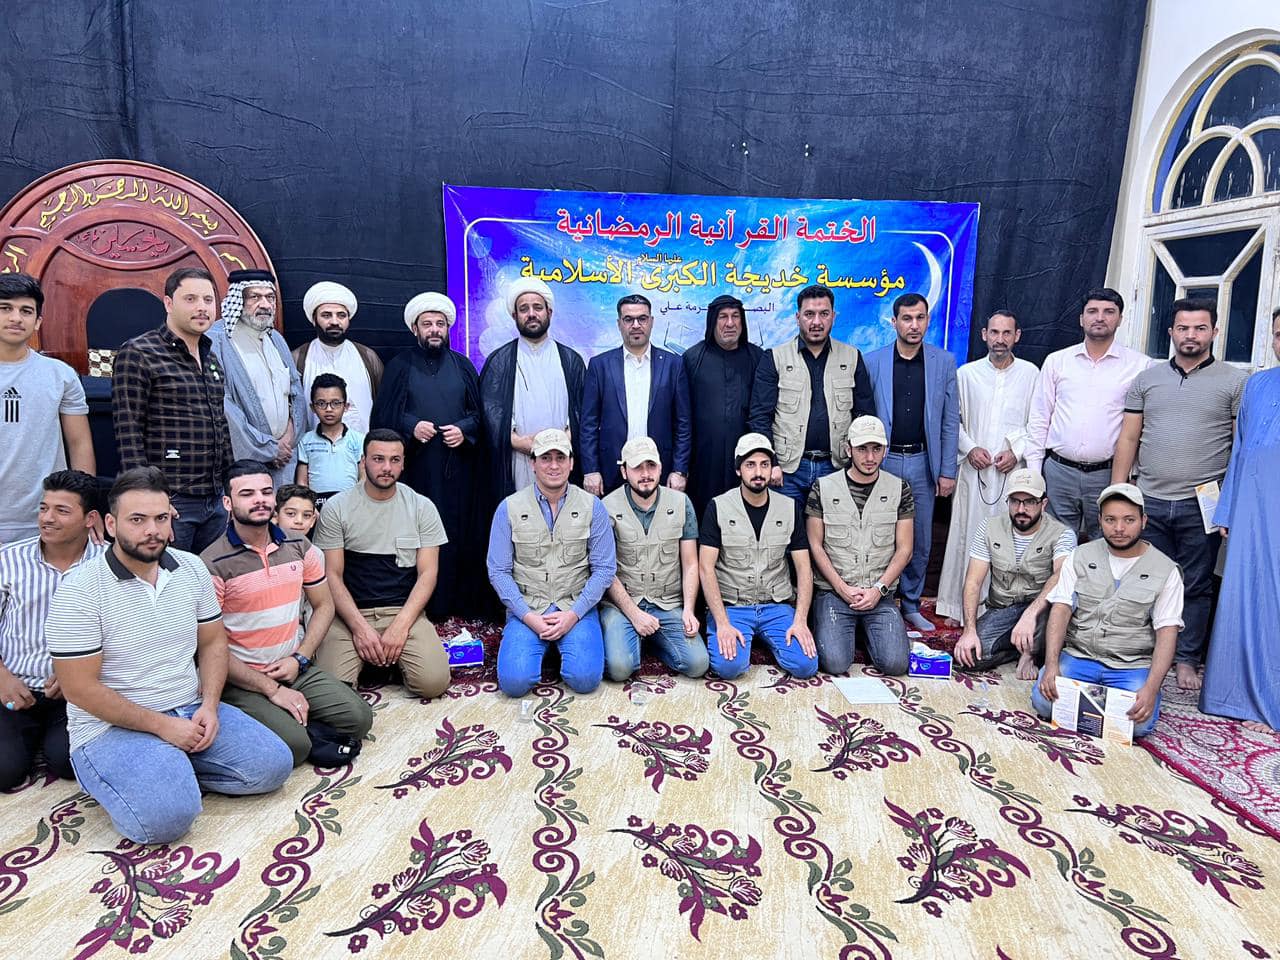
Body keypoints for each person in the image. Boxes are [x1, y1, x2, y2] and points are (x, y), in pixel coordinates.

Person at [46, 467, 292, 843]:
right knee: (166, 822)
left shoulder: (190, 568)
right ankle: (146, 774)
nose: (153, 530)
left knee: (274, 766)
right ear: (110, 524)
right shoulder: (79, 590)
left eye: (161, 518)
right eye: (137, 520)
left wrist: (209, 705)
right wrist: (162, 727)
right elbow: (79, 689)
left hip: (188, 706)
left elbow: (213, 643)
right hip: (110, 728)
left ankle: (171, 769)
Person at [1111, 298, 1248, 691]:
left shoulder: (1234, 382)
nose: (1191, 335)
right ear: (1171, 332)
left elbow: (1239, 447)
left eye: (1200, 328)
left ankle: (1186, 658)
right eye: (1183, 328)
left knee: (1196, 584)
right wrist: (1119, 492)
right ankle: (1145, 649)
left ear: (1214, 332)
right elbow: (1129, 438)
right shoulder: (1147, 379)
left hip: (1202, 503)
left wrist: (1230, 504)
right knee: (1145, 579)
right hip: (1149, 499)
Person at [201, 460, 372, 767]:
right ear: (227, 503)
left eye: (266, 492)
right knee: (295, 746)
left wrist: (300, 658)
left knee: (359, 719)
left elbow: (324, 605)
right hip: (241, 678)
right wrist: (271, 689)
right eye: (247, 494)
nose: (260, 500)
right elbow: (209, 646)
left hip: (293, 666)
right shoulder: (212, 563)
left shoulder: (298, 544)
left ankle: (290, 719)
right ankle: (282, 723)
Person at [1031, 484, 1183, 739]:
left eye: (1129, 520)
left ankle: (1089, 706)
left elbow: (1167, 633)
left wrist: (1151, 688)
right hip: (1080, 656)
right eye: (1111, 520)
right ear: (1100, 520)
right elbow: (1060, 610)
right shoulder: (1080, 556)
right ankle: (1098, 707)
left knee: (1139, 725)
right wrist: (1052, 665)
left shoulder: (1166, 570)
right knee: (1043, 703)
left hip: (1130, 666)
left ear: (1144, 521)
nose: (1119, 528)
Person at [312, 429, 451, 699]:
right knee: (332, 693)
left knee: (433, 683)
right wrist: (359, 629)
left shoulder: (422, 507)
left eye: (394, 460)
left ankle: (389, 661)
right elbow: (332, 575)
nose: (386, 467)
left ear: (403, 463)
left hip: (403, 612)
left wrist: (401, 626)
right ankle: (377, 662)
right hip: (349, 614)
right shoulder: (337, 508)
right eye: (378, 459)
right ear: (363, 461)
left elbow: (428, 574)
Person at [371, 292, 484, 619]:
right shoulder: (399, 366)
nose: (434, 329)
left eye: (440, 324)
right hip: (416, 472)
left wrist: (463, 429)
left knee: (455, 533)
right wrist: (411, 425)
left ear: (447, 329)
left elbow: (479, 416)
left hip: (458, 472)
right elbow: (383, 416)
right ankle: (419, 605)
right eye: (427, 324)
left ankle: (456, 603)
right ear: (415, 329)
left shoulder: (463, 366)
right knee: (417, 534)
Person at [112, 267, 234, 553]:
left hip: (215, 500)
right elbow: (128, 432)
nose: (202, 307)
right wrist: (150, 502)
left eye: (208, 300)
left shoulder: (211, 358)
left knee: (209, 578)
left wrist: (229, 490)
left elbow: (221, 426)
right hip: (170, 501)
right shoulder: (139, 353)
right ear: (168, 303)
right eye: (190, 299)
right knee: (166, 577)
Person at [487, 428, 616, 697]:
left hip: (575, 607)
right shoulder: (508, 508)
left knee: (585, 680)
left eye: (561, 457)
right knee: (514, 684)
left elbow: (604, 569)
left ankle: (563, 645)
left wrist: (573, 615)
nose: (554, 465)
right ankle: (543, 647)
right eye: (546, 458)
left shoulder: (593, 506)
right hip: (529, 608)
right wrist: (528, 617)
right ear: (533, 463)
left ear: (572, 463)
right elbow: (498, 571)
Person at [1200, 307, 1280, 734]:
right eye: (1279, 334)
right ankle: (1232, 696)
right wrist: (1227, 507)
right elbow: (1241, 449)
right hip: (1251, 505)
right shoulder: (1258, 385)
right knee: (1243, 593)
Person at [0, 471, 106, 789]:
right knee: (5, 772)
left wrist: (82, 673)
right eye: (44, 508)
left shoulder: (109, 564)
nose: (47, 518)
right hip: (12, 689)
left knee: (69, 762)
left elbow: (125, 633)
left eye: (61, 511)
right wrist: (2, 676)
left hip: (79, 695)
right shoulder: (9, 560)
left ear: (90, 519)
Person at [864, 293, 960, 633]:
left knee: (919, 539)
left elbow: (950, 420)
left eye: (920, 318)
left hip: (922, 463)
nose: (914, 325)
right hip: (883, 462)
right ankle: (881, 602)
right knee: (879, 535)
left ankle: (911, 604)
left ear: (928, 320)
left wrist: (947, 470)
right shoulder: (873, 361)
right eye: (907, 318)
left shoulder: (943, 362)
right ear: (894, 322)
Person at [935, 310, 1039, 624]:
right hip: (974, 471)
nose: (1000, 339)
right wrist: (970, 448)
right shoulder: (966, 374)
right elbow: (952, 421)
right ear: (984, 335)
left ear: (1017, 336)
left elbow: (1038, 422)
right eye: (994, 332)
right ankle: (958, 607)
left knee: (1009, 539)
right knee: (968, 535)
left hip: (1012, 475)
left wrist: (1016, 451)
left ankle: (999, 612)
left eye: (1007, 333)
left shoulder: (1031, 374)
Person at [1025, 288, 1152, 543]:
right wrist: (1034, 474)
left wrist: (1132, 475)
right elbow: (1039, 418)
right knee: (1055, 544)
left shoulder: (1139, 366)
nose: (1100, 317)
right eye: (1092, 311)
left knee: (1106, 544)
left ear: (1120, 319)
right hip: (1059, 472)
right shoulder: (1057, 361)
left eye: (1109, 312)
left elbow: (1142, 428)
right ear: (1081, 319)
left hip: (1108, 474)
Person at [699, 433, 817, 680]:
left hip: (776, 606)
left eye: (765, 464)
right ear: (738, 469)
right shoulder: (718, 507)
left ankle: (771, 639)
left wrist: (800, 621)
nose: (758, 472)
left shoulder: (789, 507)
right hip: (733, 606)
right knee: (729, 667)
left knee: (805, 665)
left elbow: (804, 568)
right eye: (750, 465)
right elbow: (705, 568)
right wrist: (722, 622)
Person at [806, 417, 914, 676]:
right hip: (834, 592)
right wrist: (841, 588)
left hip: (879, 593)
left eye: (877, 449)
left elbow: (905, 549)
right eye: (862, 449)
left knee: (896, 664)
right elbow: (815, 545)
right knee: (835, 663)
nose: (870, 457)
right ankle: (847, 629)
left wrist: (878, 590)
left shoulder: (900, 488)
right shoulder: (823, 487)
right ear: (848, 449)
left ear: (885, 450)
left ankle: (869, 631)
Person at [748, 284, 874, 504]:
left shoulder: (852, 357)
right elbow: (760, 417)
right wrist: (771, 462)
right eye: (809, 314)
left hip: (837, 468)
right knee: (787, 526)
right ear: (798, 318)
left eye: (824, 314)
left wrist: (857, 463)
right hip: (787, 471)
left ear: (833, 316)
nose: (816, 322)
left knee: (833, 527)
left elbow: (864, 416)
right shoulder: (775, 358)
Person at [600, 437, 707, 681]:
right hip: (623, 605)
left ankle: (654, 641)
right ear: (624, 472)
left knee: (697, 664)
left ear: (660, 468)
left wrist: (689, 610)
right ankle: (633, 637)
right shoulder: (607, 507)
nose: (646, 474)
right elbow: (606, 570)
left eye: (651, 466)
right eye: (637, 467)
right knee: (619, 669)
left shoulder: (681, 503)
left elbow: (691, 563)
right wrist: (634, 615)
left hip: (667, 603)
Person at [0, 273, 96, 545]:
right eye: (5, 308)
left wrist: (86, 508)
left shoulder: (59, 375)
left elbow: (79, 444)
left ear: (38, 322)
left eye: (26, 311)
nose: (16, 318)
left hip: (48, 518)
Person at [953, 469, 1074, 679]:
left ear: (1043, 504)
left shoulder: (1062, 533)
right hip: (1003, 609)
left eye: (1030, 502)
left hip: (1042, 609)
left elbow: (1061, 576)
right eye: (1015, 501)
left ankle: (1032, 653)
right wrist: (969, 631)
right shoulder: (989, 527)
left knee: (1055, 613)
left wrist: (1030, 614)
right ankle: (1017, 648)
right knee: (970, 657)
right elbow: (973, 582)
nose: (1021, 509)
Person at [479, 278, 587, 500]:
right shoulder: (499, 361)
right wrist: (519, 442)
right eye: (524, 309)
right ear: (514, 316)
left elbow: (583, 412)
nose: (531, 314)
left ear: (549, 312)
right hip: (518, 458)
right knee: (521, 511)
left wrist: (559, 443)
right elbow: (491, 414)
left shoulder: (571, 360)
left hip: (562, 457)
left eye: (537, 307)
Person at [580, 294, 692, 496]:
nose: (636, 325)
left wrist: (679, 470)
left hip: (660, 470)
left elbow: (683, 423)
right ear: (619, 324)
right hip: (611, 471)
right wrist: (591, 470)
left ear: (651, 321)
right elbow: (588, 424)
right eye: (629, 319)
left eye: (642, 318)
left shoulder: (673, 365)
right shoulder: (600, 365)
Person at [208, 269, 306, 489]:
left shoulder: (276, 339)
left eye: (270, 297)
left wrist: (289, 436)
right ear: (238, 300)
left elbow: (295, 392)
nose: (265, 304)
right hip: (246, 462)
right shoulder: (218, 340)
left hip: (285, 456)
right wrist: (268, 448)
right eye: (255, 297)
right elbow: (222, 404)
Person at [681, 295, 764, 519]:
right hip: (702, 462)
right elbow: (681, 416)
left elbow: (764, 413)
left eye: (735, 316)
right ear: (712, 321)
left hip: (747, 461)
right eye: (723, 317)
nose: (730, 323)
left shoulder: (757, 358)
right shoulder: (692, 359)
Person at [292, 282, 383, 434]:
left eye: (341, 315)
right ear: (314, 320)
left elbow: (383, 406)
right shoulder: (298, 358)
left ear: (348, 319)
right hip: (314, 446)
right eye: (326, 315)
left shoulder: (367, 356)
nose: (334, 322)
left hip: (362, 446)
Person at [297, 374, 364, 501]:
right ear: (312, 407)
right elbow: (302, 482)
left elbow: (363, 479)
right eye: (321, 403)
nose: (328, 409)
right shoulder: (305, 441)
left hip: (350, 502)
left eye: (335, 403)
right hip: (317, 503)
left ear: (346, 406)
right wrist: (309, 506)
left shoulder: (359, 440)